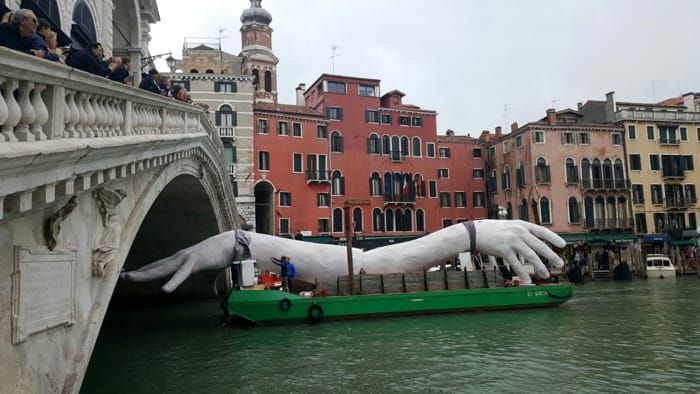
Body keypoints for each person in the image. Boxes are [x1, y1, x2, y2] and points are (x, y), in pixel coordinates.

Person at [120, 220, 567, 294]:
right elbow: (369, 266)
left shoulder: (355, 258)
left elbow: (366, 265)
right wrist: (470, 233)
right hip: (353, 263)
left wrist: (239, 243)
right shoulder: (357, 260)